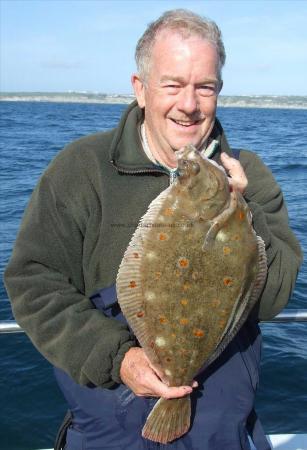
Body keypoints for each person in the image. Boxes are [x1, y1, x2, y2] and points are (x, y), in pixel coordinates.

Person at [4, 9, 302, 450]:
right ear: (141, 90)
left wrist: (240, 210)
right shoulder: (81, 169)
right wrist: (118, 359)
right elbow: (33, 283)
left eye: (205, 87)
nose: (189, 104)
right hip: (111, 416)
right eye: (172, 84)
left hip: (220, 427)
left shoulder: (247, 175)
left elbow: (275, 294)